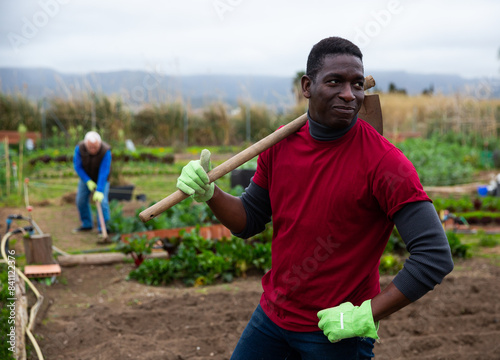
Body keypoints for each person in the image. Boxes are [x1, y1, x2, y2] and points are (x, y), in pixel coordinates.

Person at [176, 37, 454, 359]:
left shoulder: (385, 163)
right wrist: (210, 193)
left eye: (356, 84)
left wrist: (365, 314)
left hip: (334, 333)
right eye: (335, 82)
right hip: (271, 319)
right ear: (307, 86)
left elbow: (434, 255)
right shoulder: (280, 144)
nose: (349, 95)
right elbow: (250, 218)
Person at [72, 131, 111, 238]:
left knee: (102, 202)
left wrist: (99, 189)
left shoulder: (106, 151)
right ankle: (87, 224)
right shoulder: (79, 149)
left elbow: (104, 171)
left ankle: (103, 227)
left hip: (102, 179)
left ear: (100, 144)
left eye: (95, 147)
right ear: (86, 145)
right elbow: (77, 167)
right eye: (90, 147)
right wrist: (87, 180)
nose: (93, 149)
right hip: (86, 178)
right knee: (80, 200)